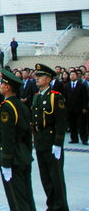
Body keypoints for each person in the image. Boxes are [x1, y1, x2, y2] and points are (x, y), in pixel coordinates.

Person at [0, 68, 36, 211]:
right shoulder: (22, 106)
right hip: (23, 154)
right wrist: (27, 153)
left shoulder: (6, 107)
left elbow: (7, 136)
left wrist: (6, 161)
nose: (0, 86)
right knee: (26, 194)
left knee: (16, 198)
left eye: (1, 84)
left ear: (7, 87)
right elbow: (27, 135)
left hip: (13, 157)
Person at [31, 63, 69, 211]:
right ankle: (52, 205)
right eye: (36, 76)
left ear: (48, 79)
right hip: (40, 140)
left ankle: (61, 207)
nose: (37, 78)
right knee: (45, 177)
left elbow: (61, 122)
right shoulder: (37, 97)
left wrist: (58, 143)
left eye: (40, 76)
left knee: (56, 177)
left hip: (52, 141)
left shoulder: (55, 97)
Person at [65, 69, 88, 145]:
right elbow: (65, 97)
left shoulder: (82, 85)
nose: (72, 76)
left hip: (80, 108)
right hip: (70, 108)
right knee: (72, 125)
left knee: (82, 125)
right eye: (71, 75)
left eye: (74, 75)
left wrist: (84, 107)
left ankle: (84, 139)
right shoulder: (67, 85)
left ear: (77, 76)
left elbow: (85, 97)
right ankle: (74, 139)